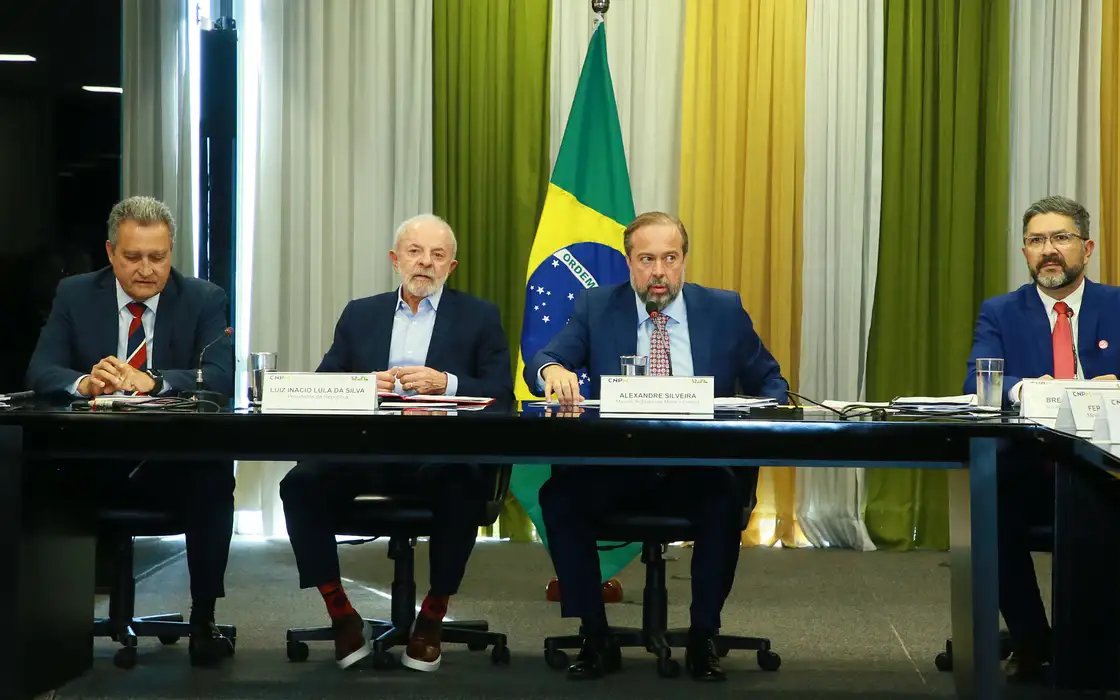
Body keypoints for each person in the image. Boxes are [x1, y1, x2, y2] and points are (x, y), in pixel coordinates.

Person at [524, 211, 789, 682]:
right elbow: (545, 358)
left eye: (670, 258)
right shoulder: (596, 307)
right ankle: (595, 634)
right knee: (560, 498)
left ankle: (704, 635)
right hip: (618, 469)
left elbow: (770, 382)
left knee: (723, 501)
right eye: (647, 260)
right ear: (629, 263)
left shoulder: (723, 310)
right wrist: (553, 370)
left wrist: (755, 414)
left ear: (684, 260)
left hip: (697, 469)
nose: (659, 272)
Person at [280, 214, 513, 672]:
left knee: (462, 482)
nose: (425, 262)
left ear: (451, 266)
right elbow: (324, 385)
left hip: (438, 456)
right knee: (299, 484)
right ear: (395, 260)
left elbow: (502, 396)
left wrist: (446, 383)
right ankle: (341, 612)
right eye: (415, 252)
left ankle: (433, 615)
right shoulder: (360, 313)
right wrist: (366, 384)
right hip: (364, 453)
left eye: (438, 255)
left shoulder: (480, 317)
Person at [963, 194, 1120, 683]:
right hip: (1031, 467)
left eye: (1061, 238)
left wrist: (1116, 388)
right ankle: (1032, 638)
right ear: (1025, 252)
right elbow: (980, 379)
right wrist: (1033, 390)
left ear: (1087, 248)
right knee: (988, 502)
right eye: (1036, 241)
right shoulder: (1001, 311)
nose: (1048, 250)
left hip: (1110, 467)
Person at [26, 195, 236, 666]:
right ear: (110, 253)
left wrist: (154, 380)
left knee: (212, 475)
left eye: (157, 257)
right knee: (35, 475)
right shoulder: (76, 294)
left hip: (170, 461)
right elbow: (41, 369)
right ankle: (46, 626)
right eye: (133, 257)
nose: (146, 270)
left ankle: (204, 618)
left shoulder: (204, 298)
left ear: (171, 252)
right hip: (93, 459)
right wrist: (83, 382)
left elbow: (220, 378)